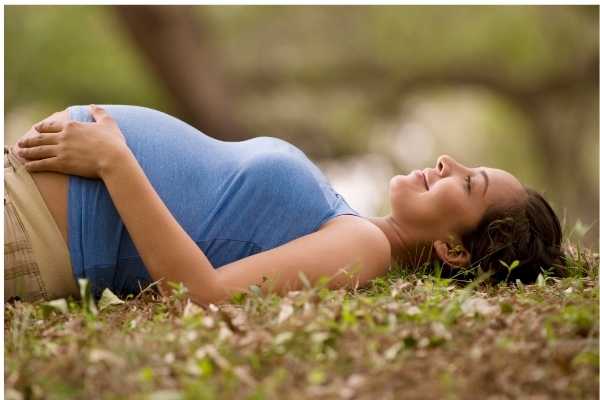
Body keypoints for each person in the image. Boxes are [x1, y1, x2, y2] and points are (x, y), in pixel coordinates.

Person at [5, 105, 565, 305]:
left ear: (453, 251)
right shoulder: (348, 224)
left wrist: (114, 161)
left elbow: (202, 295)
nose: (449, 162)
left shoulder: (365, 248)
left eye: (469, 185)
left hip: (29, 229)